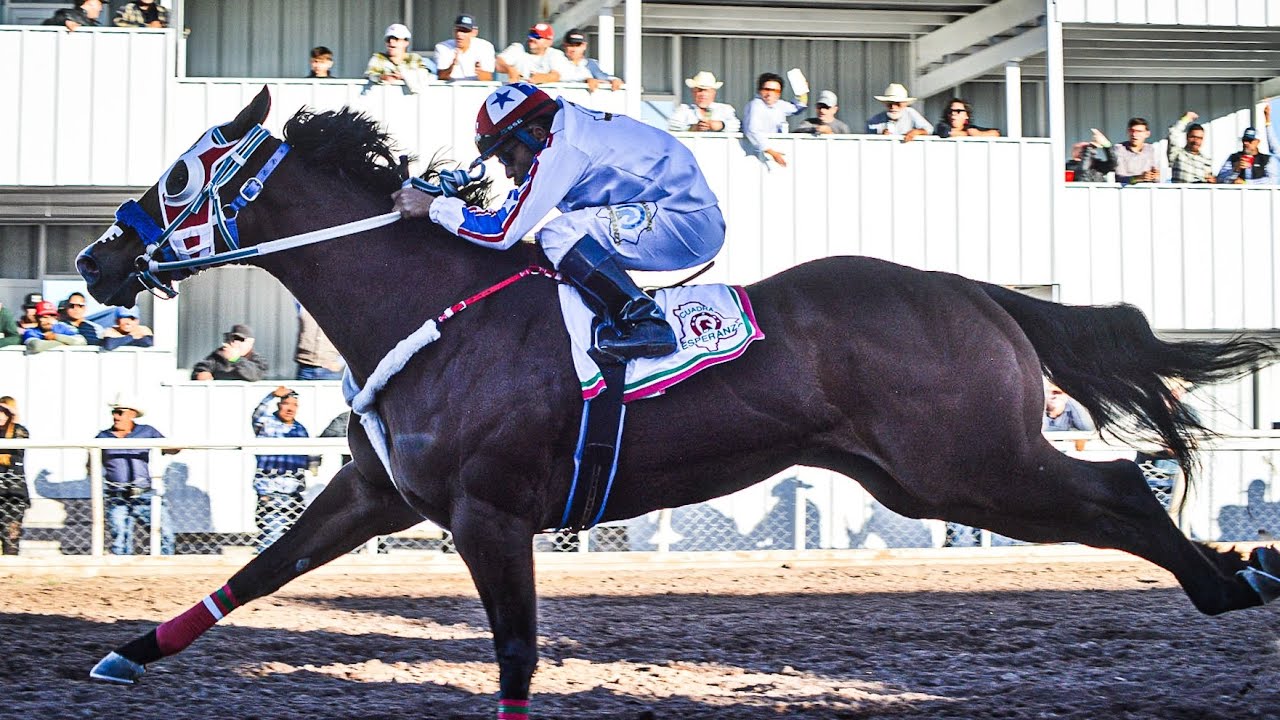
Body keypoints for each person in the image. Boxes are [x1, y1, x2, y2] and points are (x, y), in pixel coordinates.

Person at [391, 82, 725, 360]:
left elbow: (502, 231)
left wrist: (435, 208)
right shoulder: (560, 129)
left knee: (557, 234)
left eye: (508, 157)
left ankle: (648, 324)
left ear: (536, 133)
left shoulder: (562, 149)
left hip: (686, 221)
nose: (508, 171)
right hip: (673, 209)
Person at [97, 395, 176, 555]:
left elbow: (171, 448)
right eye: (114, 412)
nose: (115, 416)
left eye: (120, 412)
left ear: (132, 414)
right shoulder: (103, 437)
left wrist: (177, 445)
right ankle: (121, 569)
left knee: (164, 532)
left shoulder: (147, 432)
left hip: (143, 493)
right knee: (120, 536)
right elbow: (91, 463)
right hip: (117, 494)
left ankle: (165, 565)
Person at [251, 387, 313, 552]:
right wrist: (270, 395)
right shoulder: (266, 424)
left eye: (294, 405)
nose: (290, 408)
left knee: (295, 537)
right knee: (273, 533)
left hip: (294, 492)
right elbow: (256, 414)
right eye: (286, 403)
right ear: (278, 405)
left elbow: (306, 460)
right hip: (271, 491)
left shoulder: (300, 429)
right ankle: (263, 571)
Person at [742, 72, 808, 167]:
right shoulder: (755, 105)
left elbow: (797, 108)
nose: (770, 94)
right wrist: (772, 153)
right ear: (759, 90)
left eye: (775, 91)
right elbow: (752, 131)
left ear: (779, 93)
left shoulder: (779, 105)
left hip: (775, 157)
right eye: (766, 89)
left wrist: (802, 91)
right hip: (757, 157)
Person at [0, 397, 30, 556]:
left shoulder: (19, 432)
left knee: (11, 535)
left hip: (14, 492)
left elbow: (22, 438)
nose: (1, 415)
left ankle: (10, 564)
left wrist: (14, 415)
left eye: (4, 412)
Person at [365, 23, 434, 91]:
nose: (391, 41)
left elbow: (426, 75)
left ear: (406, 42)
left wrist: (405, 75)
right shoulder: (378, 58)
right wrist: (382, 77)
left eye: (396, 38)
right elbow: (370, 75)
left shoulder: (415, 58)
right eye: (388, 39)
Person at [495, 23, 569, 84]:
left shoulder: (556, 54)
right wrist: (510, 69)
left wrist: (542, 78)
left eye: (537, 36)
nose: (532, 38)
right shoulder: (518, 48)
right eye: (531, 35)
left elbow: (556, 75)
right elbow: (498, 63)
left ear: (548, 42)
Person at [668, 71, 740, 133]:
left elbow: (736, 125)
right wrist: (693, 128)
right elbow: (672, 126)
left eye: (707, 91)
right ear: (693, 92)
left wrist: (721, 125)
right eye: (699, 90)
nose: (703, 94)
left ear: (713, 93)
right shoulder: (684, 109)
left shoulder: (725, 109)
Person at [1095, 117, 1160, 185]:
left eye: (1139, 131)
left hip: (1149, 191)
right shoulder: (1119, 149)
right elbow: (1120, 179)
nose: (1134, 135)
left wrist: (1154, 175)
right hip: (1125, 192)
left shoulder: (1151, 149)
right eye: (1132, 131)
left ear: (1147, 134)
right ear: (1128, 132)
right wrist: (1139, 178)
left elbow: (1157, 177)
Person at [191, 324, 268, 381]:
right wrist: (202, 374)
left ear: (250, 342)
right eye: (231, 338)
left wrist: (235, 359)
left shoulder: (257, 360)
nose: (234, 342)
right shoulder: (218, 355)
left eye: (240, 339)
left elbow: (254, 375)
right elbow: (200, 369)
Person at [434, 13, 495, 82]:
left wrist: (480, 72)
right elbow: (441, 77)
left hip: (477, 89)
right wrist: (451, 66)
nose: (459, 34)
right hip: (450, 90)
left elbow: (488, 78)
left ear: (474, 33)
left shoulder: (485, 47)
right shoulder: (442, 47)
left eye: (465, 31)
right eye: (458, 30)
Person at [865, 83, 932, 141]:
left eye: (898, 104)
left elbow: (929, 129)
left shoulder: (910, 113)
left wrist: (915, 132)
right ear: (885, 104)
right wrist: (880, 135)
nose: (893, 107)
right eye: (890, 103)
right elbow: (869, 134)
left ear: (905, 104)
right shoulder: (876, 120)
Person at [295, 306, 343, 380]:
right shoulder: (303, 304)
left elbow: (352, 340)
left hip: (330, 371)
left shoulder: (341, 309)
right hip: (305, 368)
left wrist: (340, 363)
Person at [1167, 111, 1215, 184]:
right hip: (1180, 194)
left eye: (1199, 138)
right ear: (1187, 136)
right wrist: (1186, 119)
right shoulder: (1176, 154)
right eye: (1193, 137)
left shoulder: (1207, 160)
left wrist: (1212, 181)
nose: (1196, 141)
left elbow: (1210, 182)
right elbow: (1173, 134)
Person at [22, 300, 87, 354]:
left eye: (52, 316)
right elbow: (36, 346)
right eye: (44, 317)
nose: (48, 320)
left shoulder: (61, 328)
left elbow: (82, 342)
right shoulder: (31, 331)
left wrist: (56, 337)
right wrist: (66, 342)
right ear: (36, 318)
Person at [935, 98, 1000, 139]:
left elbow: (996, 132)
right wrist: (968, 134)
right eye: (950, 111)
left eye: (958, 111)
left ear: (966, 115)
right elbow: (945, 132)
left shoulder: (970, 128)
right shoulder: (942, 126)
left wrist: (979, 134)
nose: (953, 113)